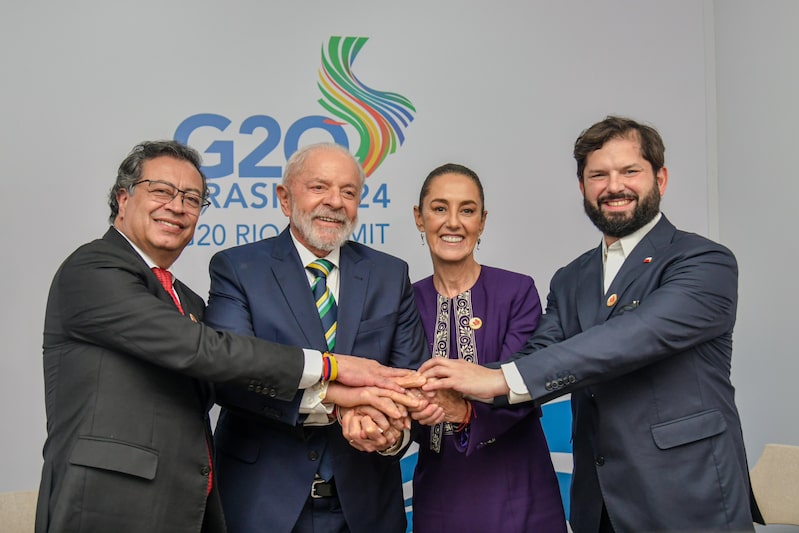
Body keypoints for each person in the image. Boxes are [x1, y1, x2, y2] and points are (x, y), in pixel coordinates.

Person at [37, 140, 409, 533]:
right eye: (161, 191)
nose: (177, 207)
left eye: (192, 199)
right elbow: (206, 352)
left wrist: (355, 405)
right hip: (106, 504)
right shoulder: (93, 270)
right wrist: (332, 370)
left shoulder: (186, 300)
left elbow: (215, 378)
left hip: (181, 503)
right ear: (123, 198)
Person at [419, 117, 761, 532]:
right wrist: (448, 395)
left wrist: (494, 379)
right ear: (582, 188)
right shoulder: (571, 278)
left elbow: (632, 337)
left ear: (661, 178)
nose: (614, 186)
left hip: (687, 498)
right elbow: (539, 355)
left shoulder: (704, 261)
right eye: (598, 175)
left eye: (629, 171)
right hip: (598, 505)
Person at [205, 142, 429, 533]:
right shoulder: (238, 269)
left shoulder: (390, 275)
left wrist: (389, 434)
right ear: (285, 199)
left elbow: (409, 380)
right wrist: (339, 403)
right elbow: (230, 376)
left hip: (366, 507)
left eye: (348, 191)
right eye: (319, 187)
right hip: (262, 505)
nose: (335, 201)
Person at [409, 163, 567, 532]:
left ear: (482, 221)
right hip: (439, 488)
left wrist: (464, 412)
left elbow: (526, 378)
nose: (453, 222)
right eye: (439, 208)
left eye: (467, 210)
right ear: (419, 218)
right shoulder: (404, 302)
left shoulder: (516, 291)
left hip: (516, 483)